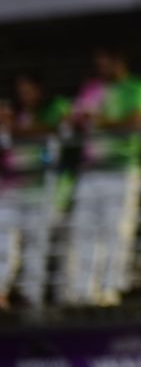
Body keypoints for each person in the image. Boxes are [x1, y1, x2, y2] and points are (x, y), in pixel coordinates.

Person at [63, 48, 141, 306]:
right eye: (99, 64)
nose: (102, 69)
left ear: (119, 61)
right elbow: (73, 119)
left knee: (116, 230)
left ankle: (111, 289)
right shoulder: (91, 88)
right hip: (90, 169)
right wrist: (77, 120)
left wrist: (102, 122)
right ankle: (83, 291)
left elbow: (139, 122)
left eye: (106, 63)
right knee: (84, 230)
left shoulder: (136, 88)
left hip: (121, 169)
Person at [0, 73, 73, 310]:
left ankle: (33, 299)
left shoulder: (56, 109)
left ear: (40, 90)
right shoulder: (11, 113)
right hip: (9, 192)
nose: (25, 94)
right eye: (21, 90)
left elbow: (57, 130)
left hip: (41, 193)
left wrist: (15, 130)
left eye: (29, 89)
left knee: (36, 249)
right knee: (3, 246)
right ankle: (1, 292)